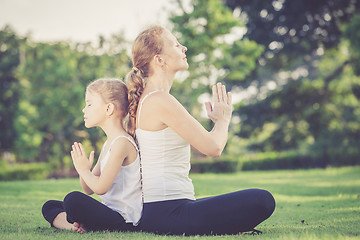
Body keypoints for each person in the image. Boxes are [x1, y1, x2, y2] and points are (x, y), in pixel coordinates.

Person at [126, 26, 276, 236]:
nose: (184, 48)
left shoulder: (153, 98)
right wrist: (223, 120)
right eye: (176, 44)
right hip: (168, 213)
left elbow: (198, 147)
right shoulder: (160, 99)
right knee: (262, 200)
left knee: (244, 201)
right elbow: (213, 148)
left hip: (168, 210)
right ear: (159, 60)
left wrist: (215, 124)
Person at [42, 78, 142, 233]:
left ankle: (83, 225)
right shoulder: (109, 142)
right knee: (50, 206)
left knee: (72, 200)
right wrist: (85, 170)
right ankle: (76, 227)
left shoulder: (122, 143)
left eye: (89, 104)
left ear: (109, 109)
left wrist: (83, 171)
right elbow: (88, 189)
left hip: (124, 219)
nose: (84, 109)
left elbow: (100, 187)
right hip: (108, 212)